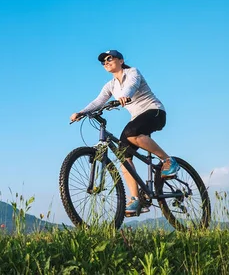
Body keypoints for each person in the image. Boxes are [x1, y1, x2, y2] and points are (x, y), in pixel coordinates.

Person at [69, 50, 179, 216]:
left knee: (131, 132)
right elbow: (99, 101)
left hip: (154, 112)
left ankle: (168, 161)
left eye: (109, 59)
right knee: (123, 155)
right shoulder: (110, 85)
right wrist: (82, 112)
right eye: (103, 62)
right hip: (137, 118)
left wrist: (125, 96)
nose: (106, 62)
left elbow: (132, 86)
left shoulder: (132, 72)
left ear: (120, 60)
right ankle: (136, 199)